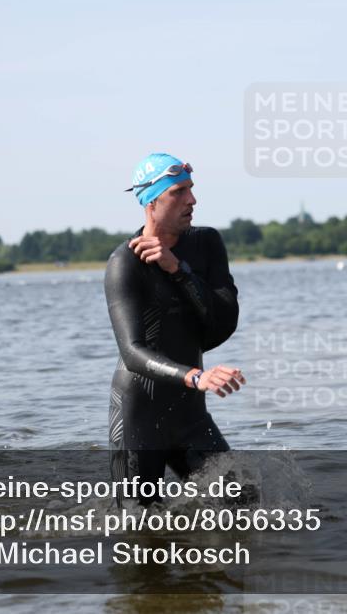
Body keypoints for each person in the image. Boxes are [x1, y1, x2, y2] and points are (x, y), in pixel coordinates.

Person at [105, 153, 246, 506]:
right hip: (139, 414)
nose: (192, 200)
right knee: (138, 524)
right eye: (179, 192)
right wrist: (196, 377)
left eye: (191, 190)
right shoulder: (124, 263)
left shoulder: (206, 244)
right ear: (151, 202)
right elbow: (132, 352)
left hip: (189, 414)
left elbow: (223, 322)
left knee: (243, 503)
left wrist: (177, 269)